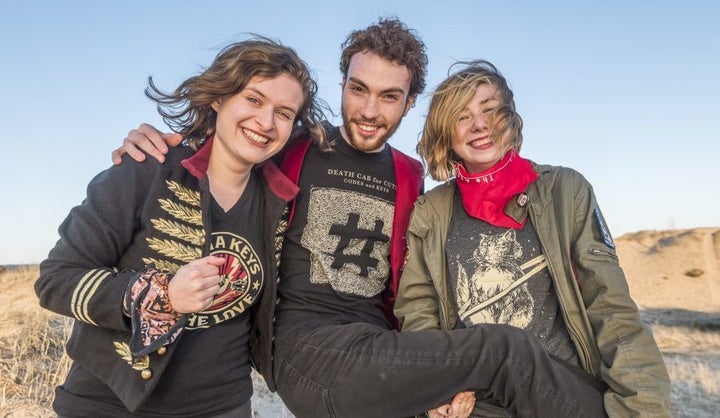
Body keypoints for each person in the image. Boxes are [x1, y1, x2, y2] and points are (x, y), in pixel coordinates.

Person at [112, 18, 612, 418]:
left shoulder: (410, 177)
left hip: (378, 345)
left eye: (389, 97)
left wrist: (435, 372)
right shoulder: (295, 147)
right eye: (358, 89)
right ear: (344, 85)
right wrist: (154, 142)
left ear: (410, 102)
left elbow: (416, 287)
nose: (370, 110)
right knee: (506, 352)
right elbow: (228, 146)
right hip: (302, 346)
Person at [35, 37, 328, 417]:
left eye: (285, 113)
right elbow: (55, 280)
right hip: (110, 403)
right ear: (219, 99)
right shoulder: (148, 169)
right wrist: (160, 296)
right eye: (253, 99)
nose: (266, 122)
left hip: (223, 406)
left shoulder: (279, 202)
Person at [395, 60, 672, 417]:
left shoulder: (564, 192)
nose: (480, 124)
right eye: (463, 116)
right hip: (479, 401)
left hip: (564, 391)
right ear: (445, 133)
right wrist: (440, 386)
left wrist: (642, 405)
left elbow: (609, 303)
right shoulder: (431, 213)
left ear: (510, 119)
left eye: (491, 110)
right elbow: (419, 310)